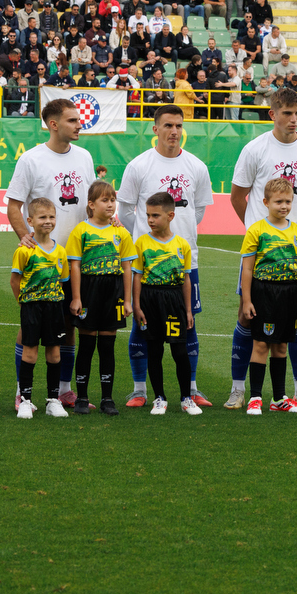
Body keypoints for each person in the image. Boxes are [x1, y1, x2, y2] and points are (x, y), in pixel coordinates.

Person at [228, 88, 297, 407]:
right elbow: (238, 196)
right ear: (272, 114)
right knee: (247, 316)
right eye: (287, 113)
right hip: (261, 255)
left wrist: (289, 233)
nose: (294, 119)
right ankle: (238, 389)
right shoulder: (255, 149)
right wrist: (260, 233)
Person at [115, 105, 211, 408]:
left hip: (185, 262)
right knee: (141, 323)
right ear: (155, 129)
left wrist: (178, 236)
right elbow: (125, 211)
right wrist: (144, 238)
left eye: (179, 125)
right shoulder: (139, 166)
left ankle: (191, 388)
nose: (174, 131)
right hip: (147, 264)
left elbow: (197, 211)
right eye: (168, 125)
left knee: (188, 322)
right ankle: (139, 389)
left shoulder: (197, 166)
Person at [6, 97, 95, 406]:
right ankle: (22, 391)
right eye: (73, 120)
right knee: (29, 328)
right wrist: (25, 238)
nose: (79, 124)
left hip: (77, 260)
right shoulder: (31, 159)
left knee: (69, 324)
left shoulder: (84, 156)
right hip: (42, 262)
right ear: (54, 124)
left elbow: (90, 204)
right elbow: (14, 206)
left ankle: (63, 389)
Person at [237, 178, 297, 415]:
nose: (284, 206)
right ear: (266, 202)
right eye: (278, 201)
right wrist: (247, 300)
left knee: (281, 345)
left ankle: (279, 398)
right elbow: (247, 269)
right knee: (261, 344)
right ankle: (255, 397)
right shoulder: (257, 230)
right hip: (263, 291)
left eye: (288, 201)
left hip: (289, 293)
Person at [66, 182, 136, 416]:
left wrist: (127, 300)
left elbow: (127, 268)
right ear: (91, 204)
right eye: (104, 200)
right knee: (86, 346)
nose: (110, 204)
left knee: (107, 346)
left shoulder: (121, 232)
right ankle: (82, 397)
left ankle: (107, 398)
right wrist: (77, 298)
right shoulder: (81, 230)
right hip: (89, 290)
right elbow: (75, 266)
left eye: (112, 200)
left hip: (113, 292)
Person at [134, 192, 197, 416]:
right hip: (150, 299)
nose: (150, 220)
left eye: (156, 215)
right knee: (154, 350)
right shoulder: (141, 242)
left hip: (174, 300)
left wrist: (188, 310)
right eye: (148, 215)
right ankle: (159, 398)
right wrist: (137, 306)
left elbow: (186, 279)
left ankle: (186, 398)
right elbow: (137, 276)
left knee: (180, 351)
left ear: (170, 216)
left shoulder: (182, 244)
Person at [10, 198, 71, 420]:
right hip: (32, 308)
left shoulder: (60, 251)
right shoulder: (24, 250)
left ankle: (53, 400)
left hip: (54, 308)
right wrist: (24, 304)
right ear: (30, 221)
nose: (48, 221)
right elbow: (14, 281)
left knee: (54, 354)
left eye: (51, 217)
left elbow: (63, 280)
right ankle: (25, 401)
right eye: (42, 217)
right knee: (30, 353)